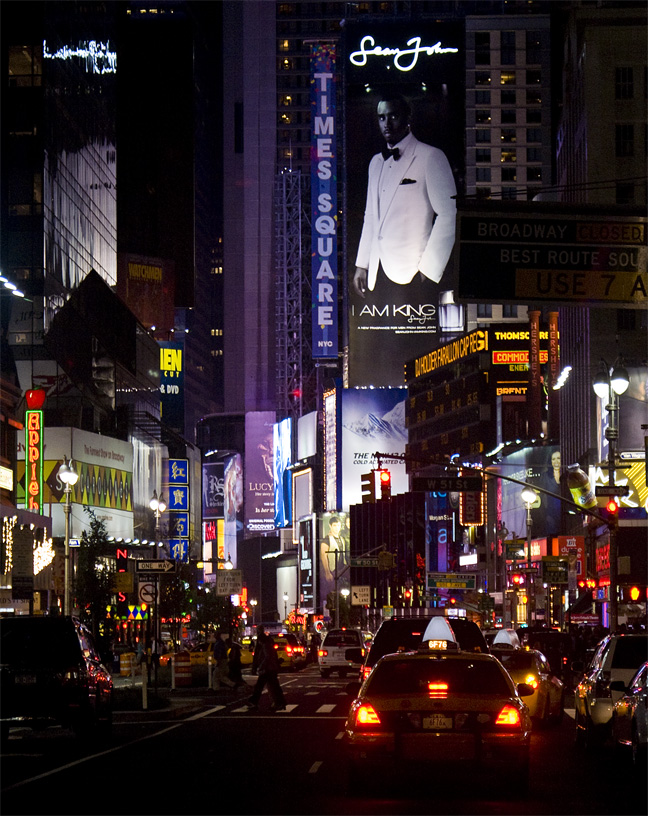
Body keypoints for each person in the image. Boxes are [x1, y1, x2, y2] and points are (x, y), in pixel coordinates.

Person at [353, 92, 457, 298]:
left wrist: (429, 269)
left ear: (408, 117)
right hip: (376, 272)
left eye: (393, 116)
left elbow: (450, 213)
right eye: (381, 117)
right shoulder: (376, 162)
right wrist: (361, 265)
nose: (386, 124)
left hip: (412, 273)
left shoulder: (431, 156)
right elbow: (371, 216)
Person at [246, 626, 286, 711]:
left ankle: (254, 701)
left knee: (261, 686)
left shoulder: (262, 641)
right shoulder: (268, 640)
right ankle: (279, 702)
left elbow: (265, 656)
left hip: (267, 668)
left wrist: (260, 666)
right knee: (273, 686)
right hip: (270, 667)